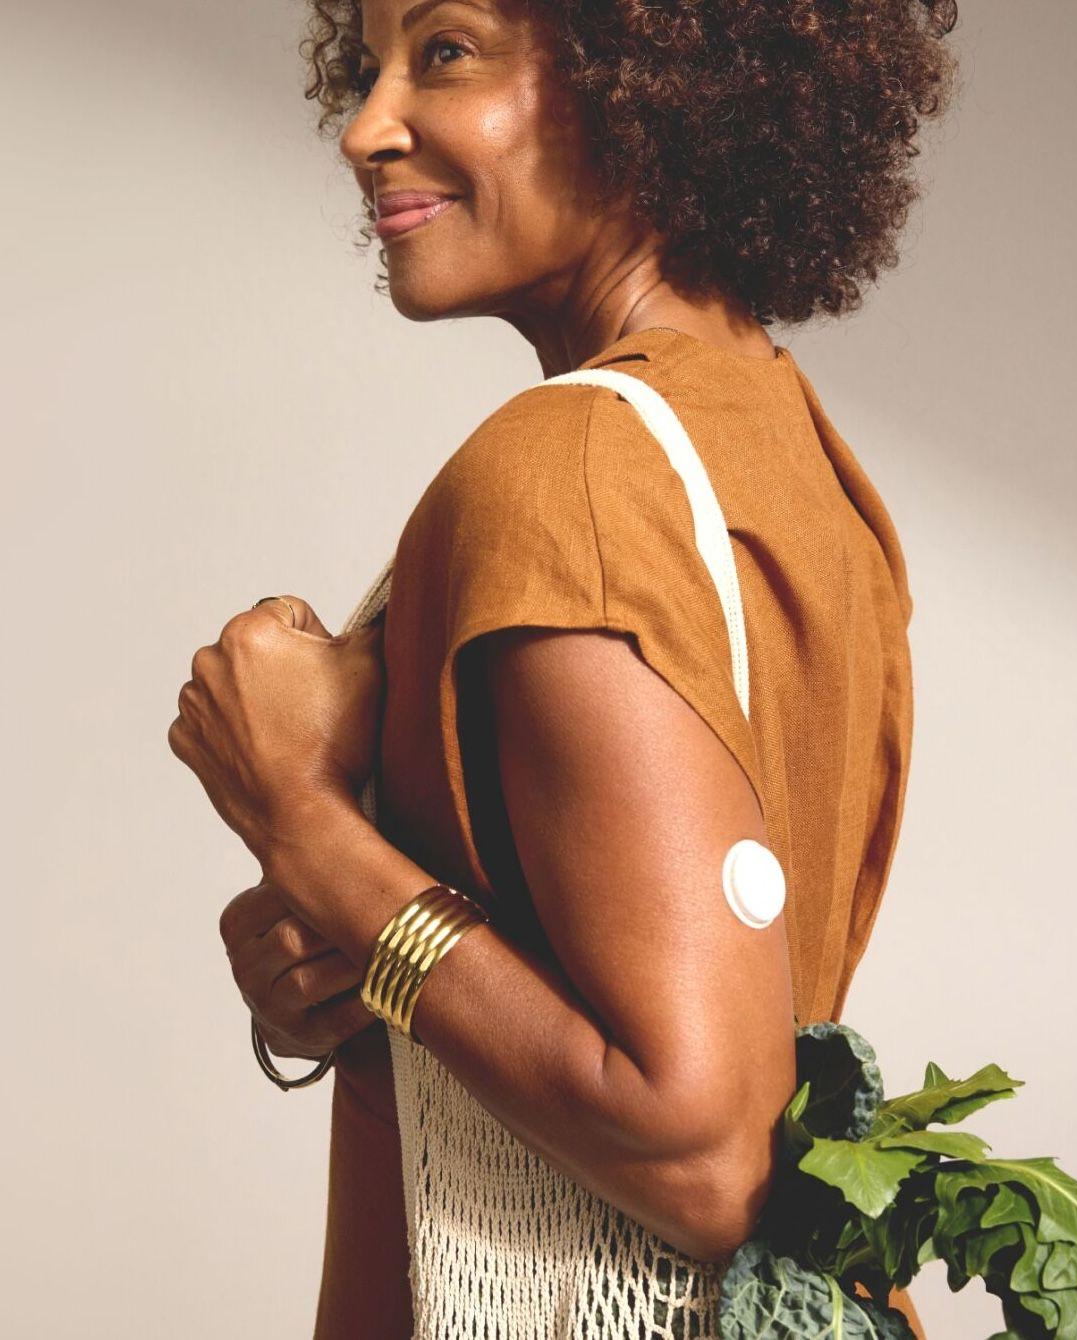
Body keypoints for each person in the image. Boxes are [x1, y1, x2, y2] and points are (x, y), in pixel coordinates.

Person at [171, 0, 958, 1335]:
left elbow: (703, 1155)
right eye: (366, 69)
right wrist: (340, 977)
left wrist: (308, 831)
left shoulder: (571, 472)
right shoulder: (781, 436)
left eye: (447, 52)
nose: (368, 127)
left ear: (644, 80)